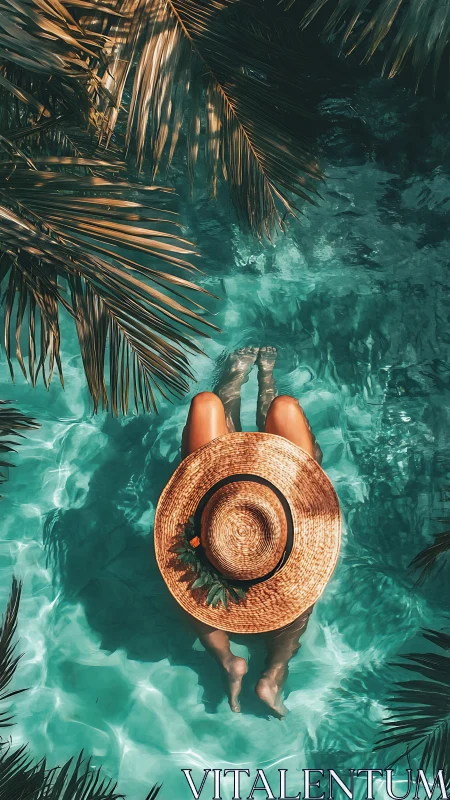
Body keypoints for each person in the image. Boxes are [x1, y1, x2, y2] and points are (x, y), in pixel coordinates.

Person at [154, 347, 341, 718]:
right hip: (266, 538)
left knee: (207, 405)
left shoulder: (215, 534)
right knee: (284, 409)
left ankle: (227, 659)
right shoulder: (281, 532)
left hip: (219, 535)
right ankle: (274, 670)